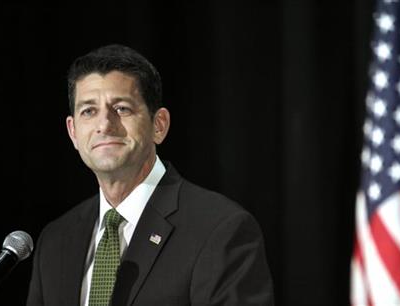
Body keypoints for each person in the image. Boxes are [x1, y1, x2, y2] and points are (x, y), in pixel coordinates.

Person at [26, 44, 274, 306]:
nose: (104, 125)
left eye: (121, 108)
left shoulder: (220, 229)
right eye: (89, 111)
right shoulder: (56, 240)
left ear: (159, 125)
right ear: (73, 132)